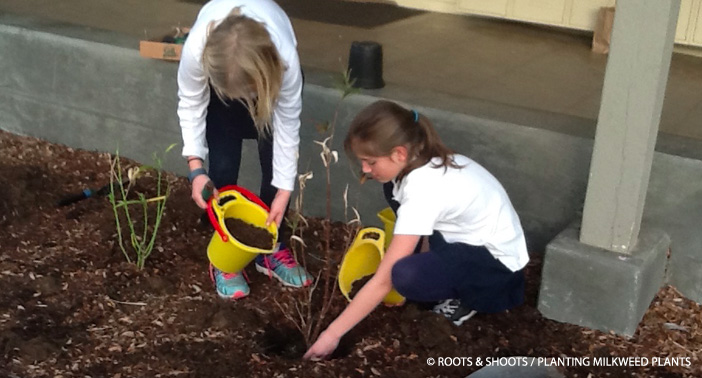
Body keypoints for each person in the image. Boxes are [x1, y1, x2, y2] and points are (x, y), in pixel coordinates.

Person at [303, 100, 529, 359]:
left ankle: (466, 300)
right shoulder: (419, 163)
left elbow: (383, 281)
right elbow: (426, 226)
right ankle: (437, 274)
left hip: (495, 265)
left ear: (399, 153)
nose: (364, 169)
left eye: (370, 161)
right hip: (468, 239)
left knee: (406, 276)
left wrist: (332, 334)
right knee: (391, 192)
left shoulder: (423, 192)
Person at [177, 0, 311, 300]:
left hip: (269, 84)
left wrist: (284, 191)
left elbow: (288, 128)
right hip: (225, 86)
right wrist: (196, 168)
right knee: (222, 168)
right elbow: (191, 103)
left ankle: (271, 249)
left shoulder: (284, 59)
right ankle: (226, 258)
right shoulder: (199, 49)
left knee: (274, 171)